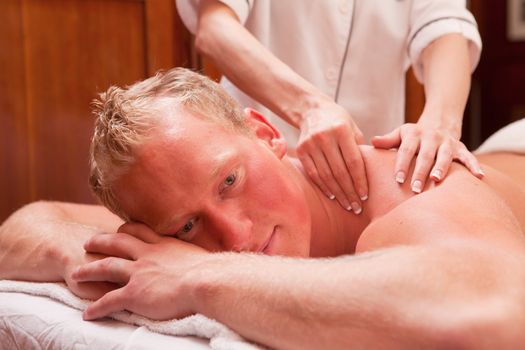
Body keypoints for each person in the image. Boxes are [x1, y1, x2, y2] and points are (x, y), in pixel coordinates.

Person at [1, 68, 524, 349]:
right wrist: (111, 263)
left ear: (268, 135)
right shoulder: (171, 231)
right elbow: (25, 227)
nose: (233, 233)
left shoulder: (410, 191)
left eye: (229, 181)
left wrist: (199, 274)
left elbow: (491, 319)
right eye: (186, 226)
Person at [176, 0, 485, 214]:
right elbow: (215, 27)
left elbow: (445, 28)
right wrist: (310, 108)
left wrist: (440, 126)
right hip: (249, 170)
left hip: (368, 185)